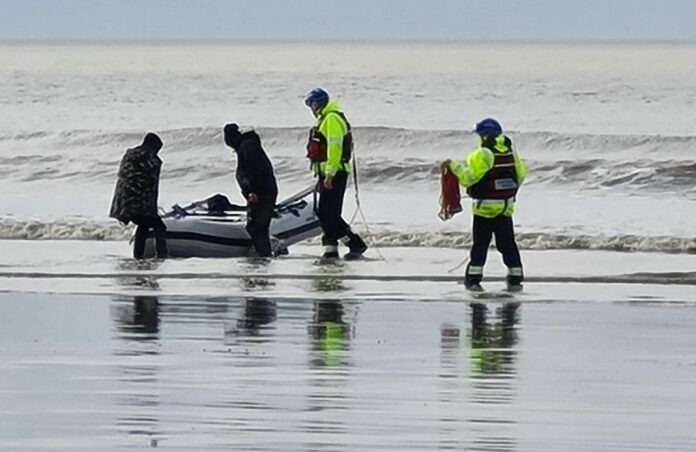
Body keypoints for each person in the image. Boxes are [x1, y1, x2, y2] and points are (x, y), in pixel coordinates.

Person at [446, 118, 527, 291]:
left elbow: (469, 178)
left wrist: (453, 167)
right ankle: (516, 275)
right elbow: (520, 175)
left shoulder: (483, 154)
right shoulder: (510, 152)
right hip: (505, 208)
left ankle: (473, 278)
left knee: (480, 244)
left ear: (484, 136)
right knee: (507, 244)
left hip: (484, 210)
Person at [304, 87, 367, 260]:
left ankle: (355, 244)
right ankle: (330, 250)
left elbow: (334, 148)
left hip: (336, 172)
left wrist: (330, 174)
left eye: (311, 104)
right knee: (325, 213)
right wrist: (322, 176)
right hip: (327, 173)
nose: (311, 108)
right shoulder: (324, 119)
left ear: (318, 103)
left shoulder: (331, 119)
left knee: (328, 215)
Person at [223, 123, 278, 257]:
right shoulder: (246, 146)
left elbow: (254, 171)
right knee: (255, 226)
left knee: (258, 228)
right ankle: (262, 254)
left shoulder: (247, 147)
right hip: (262, 192)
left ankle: (264, 256)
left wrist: (253, 191)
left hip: (261, 193)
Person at [109, 132, 167, 259]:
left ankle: (138, 257)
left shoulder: (129, 154)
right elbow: (152, 187)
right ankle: (161, 255)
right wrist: (153, 211)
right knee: (159, 226)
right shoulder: (152, 159)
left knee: (144, 225)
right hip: (137, 202)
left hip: (121, 202)